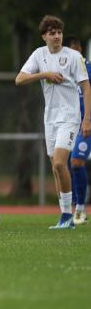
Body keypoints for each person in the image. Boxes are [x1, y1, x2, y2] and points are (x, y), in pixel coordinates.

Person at [16, 16, 91, 229]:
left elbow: (87, 88)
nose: (57, 36)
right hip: (50, 118)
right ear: (44, 36)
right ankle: (64, 215)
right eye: (52, 33)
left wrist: (87, 120)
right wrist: (44, 74)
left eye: (59, 32)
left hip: (70, 117)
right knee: (55, 168)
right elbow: (19, 79)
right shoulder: (39, 55)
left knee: (60, 162)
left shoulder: (73, 56)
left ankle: (69, 216)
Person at [64, 36, 90, 224]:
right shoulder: (64, 70)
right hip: (68, 123)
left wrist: (88, 119)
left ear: (80, 50)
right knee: (65, 163)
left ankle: (80, 209)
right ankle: (73, 206)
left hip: (86, 124)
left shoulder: (89, 69)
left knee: (76, 161)